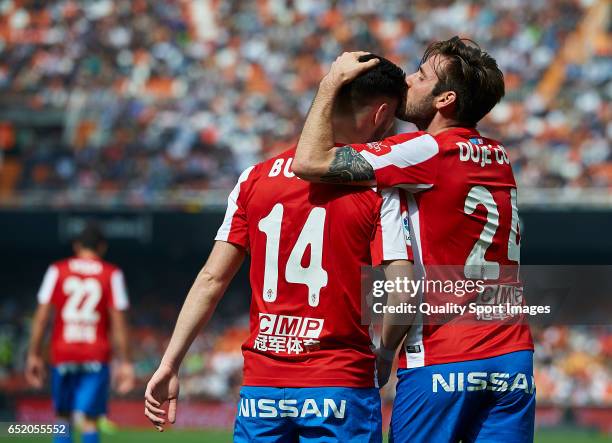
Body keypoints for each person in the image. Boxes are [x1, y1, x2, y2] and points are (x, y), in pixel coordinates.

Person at [144, 55, 412, 442]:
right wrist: (385, 355)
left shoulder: (253, 178)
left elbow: (211, 279)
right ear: (382, 113)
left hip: (262, 391)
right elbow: (402, 288)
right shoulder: (378, 186)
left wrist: (170, 363)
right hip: (339, 383)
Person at [292, 38, 535, 443]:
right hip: (513, 358)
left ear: (445, 100)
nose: (407, 81)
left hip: (444, 356)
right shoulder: (499, 155)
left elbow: (309, 162)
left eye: (421, 77)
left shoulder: (426, 149)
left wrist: (330, 83)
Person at [25, 223, 134, 443]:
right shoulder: (112, 274)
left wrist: (34, 354)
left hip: (63, 352)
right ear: (102, 247)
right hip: (96, 353)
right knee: (90, 420)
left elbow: (42, 317)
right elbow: (119, 323)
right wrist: (126, 362)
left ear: (76, 245)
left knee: (63, 417)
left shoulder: (57, 270)